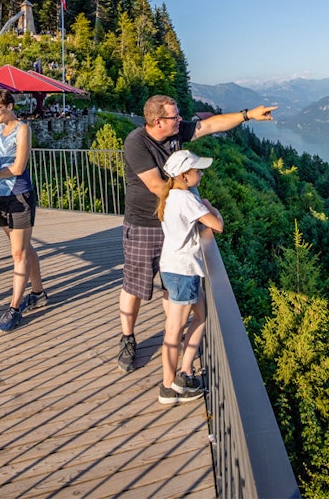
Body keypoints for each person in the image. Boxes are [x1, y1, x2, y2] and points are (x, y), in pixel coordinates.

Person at [115, 95, 276, 372]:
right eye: (174, 117)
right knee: (135, 285)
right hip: (145, 224)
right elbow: (156, 186)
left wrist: (248, 114)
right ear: (157, 122)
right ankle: (127, 337)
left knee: (171, 285)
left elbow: (210, 125)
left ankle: (173, 336)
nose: (181, 120)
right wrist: (195, 207)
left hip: (174, 224)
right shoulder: (136, 143)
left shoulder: (176, 131)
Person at [155, 150, 223, 405]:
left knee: (201, 315)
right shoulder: (186, 199)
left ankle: (185, 372)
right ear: (185, 175)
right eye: (198, 170)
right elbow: (217, 225)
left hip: (174, 267)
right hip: (183, 270)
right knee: (173, 331)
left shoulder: (171, 195)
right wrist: (210, 207)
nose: (202, 173)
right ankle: (168, 387)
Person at [0, 89, 48, 333]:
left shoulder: (22, 129)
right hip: (1, 196)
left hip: (19, 195)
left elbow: (18, 166)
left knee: (18, 253)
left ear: (10, 106)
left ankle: (14, 307)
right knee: (23, 247)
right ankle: (39, 293)